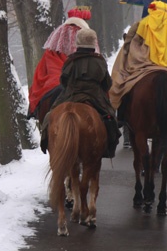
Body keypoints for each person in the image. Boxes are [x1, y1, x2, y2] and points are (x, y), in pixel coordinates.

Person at [40, 29, 121, 158]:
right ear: (93, 43)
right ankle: (111, 145)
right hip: (95, 96)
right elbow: (107, 83)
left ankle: (45, 140)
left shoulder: (70, 60)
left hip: (71, 94)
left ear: (77, 42)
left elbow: (63, 80)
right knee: (110, 117)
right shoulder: (99, 61)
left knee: (50, 115)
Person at [109, 0, 167, 112]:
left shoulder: (143, 23)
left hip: (144, 61)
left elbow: (131, 42)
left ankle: (120, 112)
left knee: (123, 82)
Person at [27, 7, 95, 121]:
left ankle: (36, 117)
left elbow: (42, 69)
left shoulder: (57, 40)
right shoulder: (85, 39)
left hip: (56, 78)